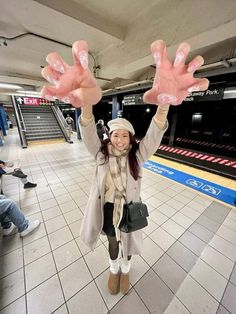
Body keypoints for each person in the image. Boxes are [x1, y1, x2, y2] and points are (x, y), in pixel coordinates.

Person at [41, 40, 209, 295]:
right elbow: (87, 130)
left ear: (130, 139)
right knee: (111, 240)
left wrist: (164, 103)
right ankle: (113, 268)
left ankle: (126, 270)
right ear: (110, 137)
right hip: (107, 209)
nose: (120, 140)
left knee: (128, 243)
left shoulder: (137, 156)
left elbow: (154, 134)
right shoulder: (100, 155)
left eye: (124, 136)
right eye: (115, 135)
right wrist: (86, 102)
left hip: (130, 210)